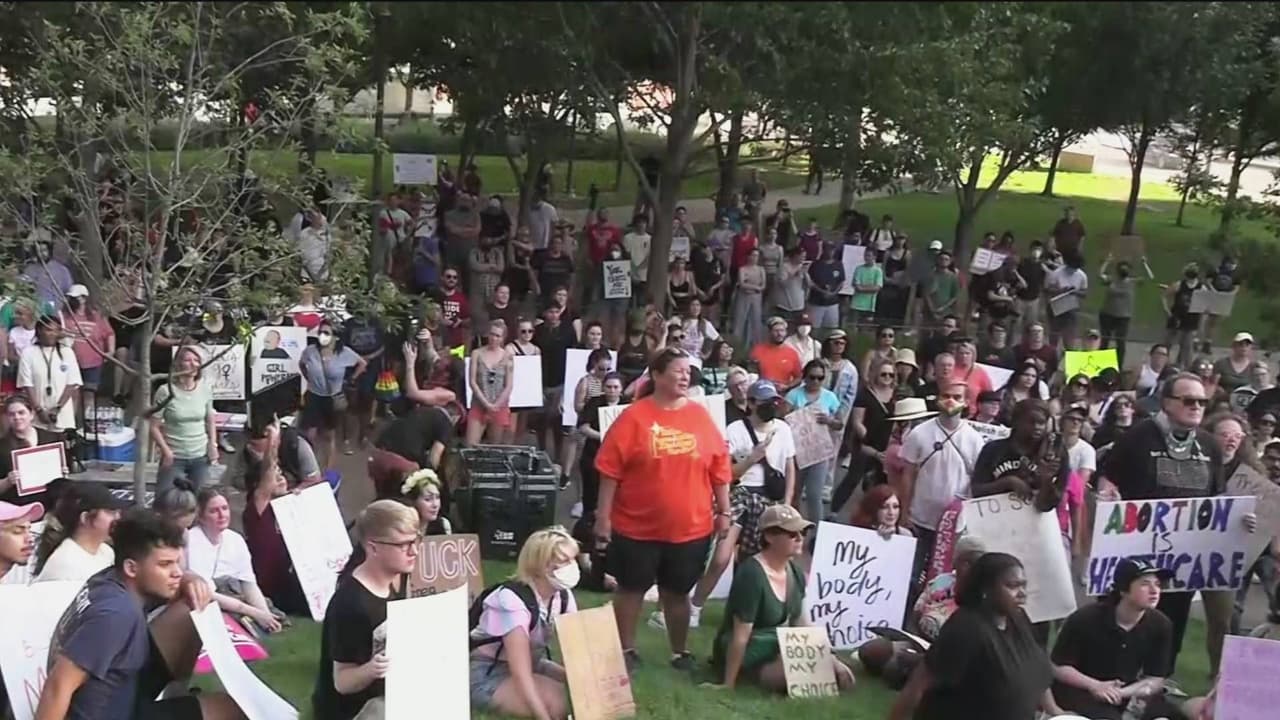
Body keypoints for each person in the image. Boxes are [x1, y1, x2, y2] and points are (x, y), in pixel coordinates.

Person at [594, 346, 733, 670]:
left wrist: (724, 511)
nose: (686, 376)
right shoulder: (634, 417)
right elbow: (609, 471)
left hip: (690, 528)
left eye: (689, 372)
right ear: (656, 375)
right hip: (635, 527)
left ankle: (679, 651)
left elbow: (719, 468)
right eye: (678, 370)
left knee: (677, 592)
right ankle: (626, 650)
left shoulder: (700, 416)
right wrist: (603, 517)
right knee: (631, 589)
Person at [1098, 373, 1245, 672]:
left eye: (1202, 401)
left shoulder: (1208, 445)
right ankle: (1110, 679)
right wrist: (1106, 490)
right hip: (1137, 551)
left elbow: (1217, 498)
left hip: (1183, 559)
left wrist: (1240, 520)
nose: (1196, 406)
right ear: (1166, 402)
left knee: (1171, 622)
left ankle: (1160, 682)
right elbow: (1107, 477)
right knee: (1126, 618)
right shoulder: (1137, 437)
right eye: (1188, 400)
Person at [37, 509, 243, 720]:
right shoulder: (115, 614)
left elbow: (179, 581)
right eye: (165, 564)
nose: (177, 572)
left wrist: (190, 579)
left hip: (121, 687)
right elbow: (57, 686)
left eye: (177, 562)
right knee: (232, 710)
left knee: (191, 605)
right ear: (131, 568)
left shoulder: (110, 578)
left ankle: (176, 694)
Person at [889, 553, 1062, 720]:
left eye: (1023, 585)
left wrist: (1054, 710)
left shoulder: (1018, 619)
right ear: (986, 589)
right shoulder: (966, 627)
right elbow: (920, 683)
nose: (1022, 593)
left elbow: (1037, 670)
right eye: (1012, 585)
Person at [712, 504, 856, 693]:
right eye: (792, 534)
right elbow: (741, 635)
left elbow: (801, 622)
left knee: (835, 673)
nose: (799, 538)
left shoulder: (795, 571)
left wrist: (830, 656)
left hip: (775, 646)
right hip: (749, 651)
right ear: (769, 537)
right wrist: (728, 683)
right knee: (815, 674)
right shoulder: (752, 574)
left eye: (802, 533)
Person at [313, 500, 419, 720]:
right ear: (373, 548)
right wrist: (372, 669)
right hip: (353, 708)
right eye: (403, 545)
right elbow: (342, 682)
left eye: (416, 540)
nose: (414, 551)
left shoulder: (399, 574)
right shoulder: (351, 603)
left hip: (391, 689)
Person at [469, 527, 579, 719]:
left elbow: (576, 650)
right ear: (542, 566)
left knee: (580, 684)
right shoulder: (512, 601)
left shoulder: (562, 596)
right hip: (487, 672)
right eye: (564, 561)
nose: (572, 566)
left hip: (533, 663)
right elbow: (520, 671)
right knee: (556, 700)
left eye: (573, 559)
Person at [1051, 559, 1179, 720]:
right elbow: (1058, 667)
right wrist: (1095, 686)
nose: (1154, 590)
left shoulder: (1161, 624)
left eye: (1158, 584)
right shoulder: (1086, 618)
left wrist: (1121, 692)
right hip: (1081, 690)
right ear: (1123, 590)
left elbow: (1156, 678)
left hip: (1127, 691)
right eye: (1145, 584)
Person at [896, 381, 984, 588]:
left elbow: (976, 482)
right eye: (946, 395)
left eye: (957, 397)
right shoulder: (919, 433)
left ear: (966, 402)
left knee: (940, 579)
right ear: (938, 398)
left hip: (954, 524)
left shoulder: (975, 440)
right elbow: (907, 475)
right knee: (909, 573)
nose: (950, 401)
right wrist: (904, 512)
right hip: (919, 518)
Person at [184, 487, 282, 634]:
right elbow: (208, 594)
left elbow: (249, 584)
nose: (221, 515)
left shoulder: (236, 539)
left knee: (270, 613)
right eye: (213, 511)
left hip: (235, 594)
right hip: (209, 599)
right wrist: (255, 613)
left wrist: (265, 615)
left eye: (224, 508)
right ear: (201, 517)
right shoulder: (192, 540)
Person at [241, 456, 308, 617]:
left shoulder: (288, 507)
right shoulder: (257, 509)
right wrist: (273, 437)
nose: (281, 479)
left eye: (281, 474)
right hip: (266, 591)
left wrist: (301, 503)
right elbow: (268, 469)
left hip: (288, 583)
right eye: (274, 477)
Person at [299, 320, 368, 470]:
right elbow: (302, 364)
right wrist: (309, 379)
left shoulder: (344, 353)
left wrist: (351, 378)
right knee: (310, 434)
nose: (322, 336)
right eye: (320, 332)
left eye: (326, 333)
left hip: (332, 398)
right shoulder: (310, 351)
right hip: (313, 395)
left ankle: (328, 470)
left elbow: (362, 363)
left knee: (329, 435)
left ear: (335, 336)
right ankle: (310, 467)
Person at [149, 346, 217, 497]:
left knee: (197, 499)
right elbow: (154, 426)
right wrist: (166, 451)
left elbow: (210, 419)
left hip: (200, 455)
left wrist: (213, 444)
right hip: (174, 456)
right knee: (165, 498)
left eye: (196, 360)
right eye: (187, 360)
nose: (193, 364)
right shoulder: (165, 391)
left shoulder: (205, 389)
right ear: (178, 364)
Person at [33, 483, 127, 584]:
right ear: (85, 518)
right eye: (110, 512)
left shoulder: (106, 551)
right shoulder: (66, 563)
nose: (117, 517)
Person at [18, 313, 82, 432]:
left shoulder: (67, 352)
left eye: (56, 330)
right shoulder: (28, 353)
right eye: (48, 330)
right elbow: (27, 384)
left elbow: (72, 383)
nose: (52, 334)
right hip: (36, 417)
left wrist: (57, 408)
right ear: (39, 330)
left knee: (62, 448)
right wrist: (39, 410)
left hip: (63, 415)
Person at [0, 394, 65, 507]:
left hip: (51, 502)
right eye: (11, 414)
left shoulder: (52, 438)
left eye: (21, 412)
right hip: (18, 506)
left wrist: (63, 472)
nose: (17, 417)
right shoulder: (2, 446)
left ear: (31, 414)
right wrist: (8, 481)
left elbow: (63, 476)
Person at [467, 320, 514, 446]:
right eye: (492, 334)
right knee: (470, 445)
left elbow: (509, 385)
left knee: (494, 446)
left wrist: (496, 405)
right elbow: (472, 381)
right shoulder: (476, 353)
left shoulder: (507, 356)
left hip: (499, 405)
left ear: (503, 338)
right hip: (479, 404)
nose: (494, 338)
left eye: (498, 335)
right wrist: (486, 404)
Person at [1046, 251, 1089, 350]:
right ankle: (1052, 356)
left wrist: (1075, 292)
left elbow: (1084, 293)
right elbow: (1048, 290)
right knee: (1054, 336)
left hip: (1071, 308)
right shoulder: (1057, 273)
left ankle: (1068, 355)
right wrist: (1061, 290)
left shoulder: (1082, 276)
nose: (1074, 270)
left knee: (1069, 338)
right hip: (1056, 308)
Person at [1163, 263, 1203, 367]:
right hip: (1176, 317)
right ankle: (1163, 363)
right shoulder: (1179, 285)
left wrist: (1202, 317)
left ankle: (1183, 366)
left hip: (1191, 319)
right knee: (1168, 343)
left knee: (1186, 346)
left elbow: (1205, 303)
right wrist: (1168, 311)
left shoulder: (1201, 287)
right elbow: (1165, 296)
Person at [750, 316, 802, 390]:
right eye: (776, 330)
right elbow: (751, 375)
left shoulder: (792, 353)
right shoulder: (757, 350)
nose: (779, 334)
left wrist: (787, 386)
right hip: (762, 392)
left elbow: (799, 377)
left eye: (782, 330)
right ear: (769, 332)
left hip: (783, 394)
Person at [730, 247, 766, 349]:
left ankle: (756, 347)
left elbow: (763, 285)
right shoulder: (742, 269)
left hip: (756, 297)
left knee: (756, 321)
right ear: (748, 256)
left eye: (757, 256)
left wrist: (750, 286)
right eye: (753, 255)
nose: (755, 258)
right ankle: (736, 346)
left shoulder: (761, 269)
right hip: (743, 297)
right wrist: (755, 287)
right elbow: (741, 284)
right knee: (740, 321)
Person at [807, 243, 845, 330]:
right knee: (813, 328)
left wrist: (833, 293)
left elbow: (841, 281)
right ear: (823, 250)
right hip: (816, 302)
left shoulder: (838, 264)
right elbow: (810, 282)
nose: (830, 252)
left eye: (832, 250)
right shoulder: (815, 265)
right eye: (828, 249)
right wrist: (823, 291)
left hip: (832, 303)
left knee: (831, 328)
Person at [849, 248, 884, 334]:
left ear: (874, 257)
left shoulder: (878, 271)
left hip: (869, 306)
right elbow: (857, 286)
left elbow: (877, 287)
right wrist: (870, 287)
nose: (866, 258)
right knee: (853, 329)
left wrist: (863, 287)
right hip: (856, 304)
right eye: (865, 255)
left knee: (865, 330)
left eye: (869, 256)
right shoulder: (859, 269)